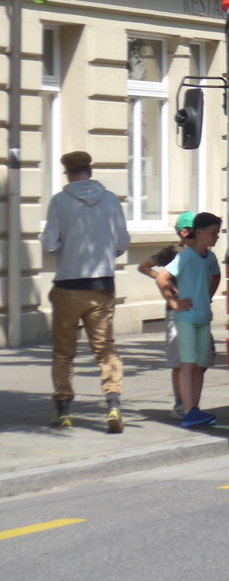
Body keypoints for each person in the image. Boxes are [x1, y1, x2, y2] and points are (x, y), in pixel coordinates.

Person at [41, 150, 131, 433]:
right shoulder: (110, 200)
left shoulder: (60, 201)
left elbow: (49, 245)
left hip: (68, 286)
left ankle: (63, 411)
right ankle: (113, 404)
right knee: (105, 349)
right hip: (101, 286)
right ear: (89, 171)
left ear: (68, 172)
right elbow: (122, 241)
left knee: (64, 353)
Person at [138, 211, 216, 418]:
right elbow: (145, 267)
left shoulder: (206, 255)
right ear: (186, 232)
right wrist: (173, 290)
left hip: (198, 311)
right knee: (180, 360)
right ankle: (181, 404)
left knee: (202, 358)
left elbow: (215, 275)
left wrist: (208, 295)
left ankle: (191, 404)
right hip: (179, 313)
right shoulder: (174, 252)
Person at [156, 212, 223, 429]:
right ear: (200, 232)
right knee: (188, 363)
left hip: (203, 317)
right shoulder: (185, 257)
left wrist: (208, 295)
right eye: (213, 233)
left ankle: (194, 407)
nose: (216, 237)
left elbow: (216, 275)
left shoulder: (210, 258)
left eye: (218, 233)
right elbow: (162, 277)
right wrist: (174, 302)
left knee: (201, 363)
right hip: (185, 319)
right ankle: (187, 410)